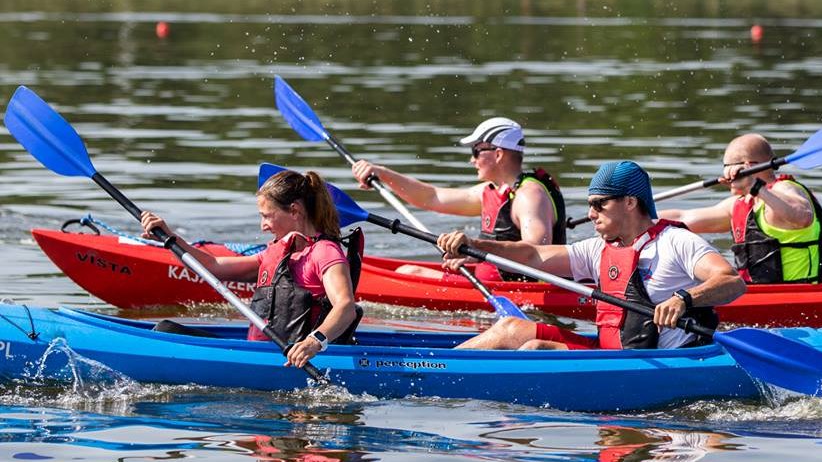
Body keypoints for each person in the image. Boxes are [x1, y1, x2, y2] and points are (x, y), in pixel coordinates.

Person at [436, 161, 746, 350]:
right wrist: (475, 246)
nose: (591, 214)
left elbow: (731, 281)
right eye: (590, 204)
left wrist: (683, 299)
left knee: (535, 347)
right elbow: (531, 255)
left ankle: (431, 375)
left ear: (629, 202)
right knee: (511, 330)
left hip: (659, 362)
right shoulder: (597, 249)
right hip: (612, 353)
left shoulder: (676, 241)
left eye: (600, 204)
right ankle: (432, 368)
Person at [140, 169, 362, 368]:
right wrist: (170, 238)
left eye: (266, 216)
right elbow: (212, 266)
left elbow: (345, 306)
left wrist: (313, 343)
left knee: (165, 332)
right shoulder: (275, 253)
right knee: (166, 329)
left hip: (295, 359)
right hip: (260, 353)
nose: (262, 226)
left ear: (294, 211)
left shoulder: (324, 251)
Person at [351, 117, 566, 282]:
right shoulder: (492, 190)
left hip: (522, 293)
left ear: (498, 154)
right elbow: (432, 197)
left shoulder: (529, 195)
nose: (472, 159)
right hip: (487, 282)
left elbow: (537, 252)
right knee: (405, 271)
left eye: (477, 151)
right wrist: (384, 174)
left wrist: (476, 249)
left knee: (408, 272)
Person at [657, 133, 822, 284]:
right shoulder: (740, 204)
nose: (725, 176)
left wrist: (755, 186)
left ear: (746, 167)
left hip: (798, 295)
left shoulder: (785, 189)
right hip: (756, 292)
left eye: (727, 168)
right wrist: (639, 214)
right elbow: (684, 217)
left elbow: (802, 216)